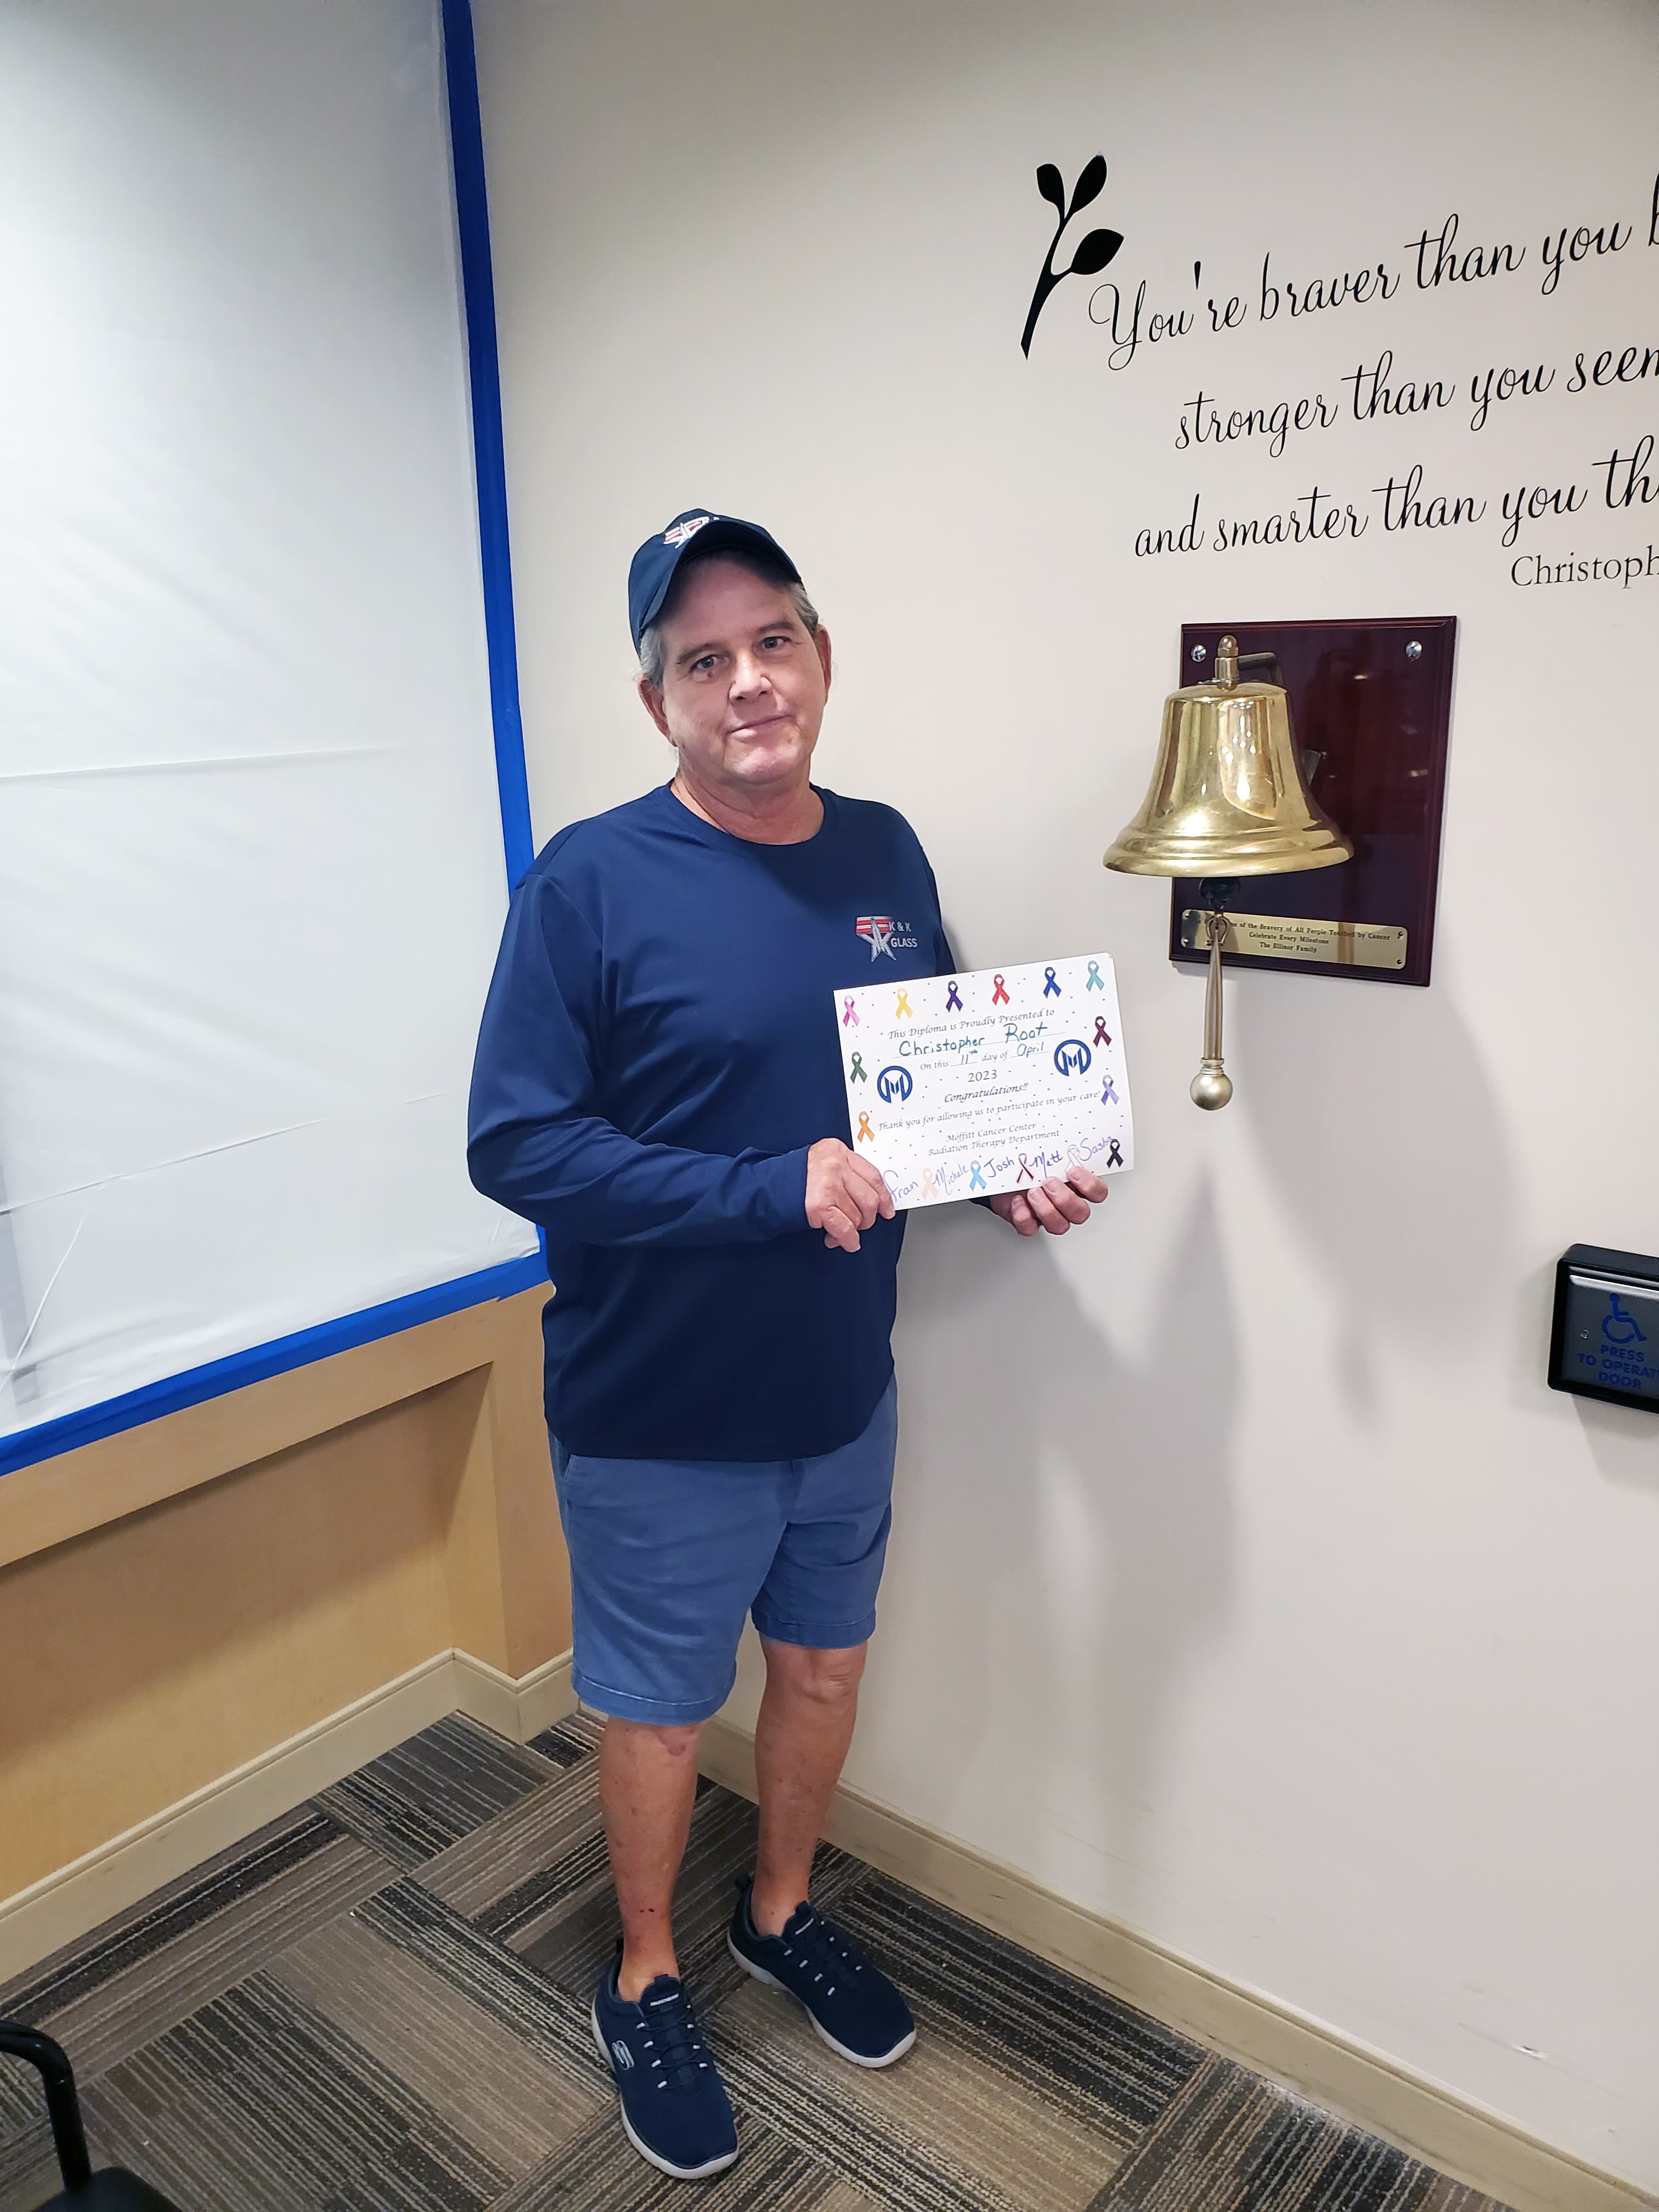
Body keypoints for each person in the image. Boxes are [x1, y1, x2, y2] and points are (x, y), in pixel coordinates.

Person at [467, 509, 1108, 2181]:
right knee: (666, 1714)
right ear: (657, 700)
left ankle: (775, 1913)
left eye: (774, 642)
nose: (749, 681)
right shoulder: (588, 882)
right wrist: (766, 1188)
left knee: (822, 1671)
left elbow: (930, 1094)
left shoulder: (885, 853)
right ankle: (646, 1973)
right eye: (706, 660)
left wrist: (1004, 1171)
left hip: (842, 1390)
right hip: (659, 1407)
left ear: (821, 660)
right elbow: (516, 1146)